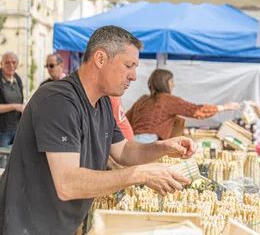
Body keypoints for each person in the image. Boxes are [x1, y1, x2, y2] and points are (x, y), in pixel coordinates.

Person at [0, 25, 196, 235]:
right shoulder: (58, 100)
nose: (134, 76)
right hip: (26, 226)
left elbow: (125, 152)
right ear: (100, 59)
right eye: (129, 65)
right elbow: (67, 184)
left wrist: (162, 147)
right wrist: (139, 174)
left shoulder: (102, 103)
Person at [126, 69, 240, 143]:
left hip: (134, 141)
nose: (173, 85)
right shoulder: (167, 100)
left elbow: (125, 120)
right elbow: (195, 111)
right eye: (171, 82)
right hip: (151, 141)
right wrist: (223, 107)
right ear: (164, 83)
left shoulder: (143, 99)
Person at [0, 52, 24, 147]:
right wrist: (15, 106)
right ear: (1, 64)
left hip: (17, 130)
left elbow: (20, 101)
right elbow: (17, 105)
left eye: (14, 62)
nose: (11, 65)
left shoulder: (17, 79)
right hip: (2, 132)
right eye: (7, 62)